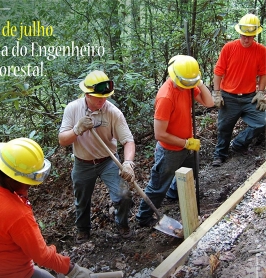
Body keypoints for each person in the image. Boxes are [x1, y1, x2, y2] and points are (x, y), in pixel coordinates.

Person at [0, 138, 92, 278]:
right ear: (10, 178)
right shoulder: (16, 214)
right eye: (26, 181)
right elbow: (42, 255)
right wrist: (72, 270)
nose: (30, 185)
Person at [58, 70, 135, 243]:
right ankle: (83, 229)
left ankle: (122, 224)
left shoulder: (113, 112)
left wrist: (129, 162)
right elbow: (62, 140)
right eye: (98, 97)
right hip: (82, 163)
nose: (103, 101)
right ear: (87, 94)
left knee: (123, 195)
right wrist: (77, 130)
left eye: (106, 97)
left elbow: (128, 141)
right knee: (82, 199)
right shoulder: (73, 109)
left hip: (108, 161)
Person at [136, 55, 214, 227]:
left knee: (191, 170)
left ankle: (174, 193)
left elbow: (209, 102)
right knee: (158, 185)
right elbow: (160, 134)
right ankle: (144, 217)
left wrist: (197, 82)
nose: (188, 86)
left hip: (187, 143)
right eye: (186, 82)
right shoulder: (166, 97)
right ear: (174, 76)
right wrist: (185, 143)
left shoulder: (187, 85)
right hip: (169, 150)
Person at [212, 13, 266, 167]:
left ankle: (239, 144)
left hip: (250, 97)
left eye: (249, 36)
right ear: (239, 32)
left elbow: (263, 73)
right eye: (243, 35)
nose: (246, 39)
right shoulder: (229, 48)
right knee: (224, 128)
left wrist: (261, 92)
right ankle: (220, 154)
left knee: (261, 122)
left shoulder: (261, 50)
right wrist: (216, 93)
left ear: (255, 34)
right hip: (229, 96)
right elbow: (218, 72)